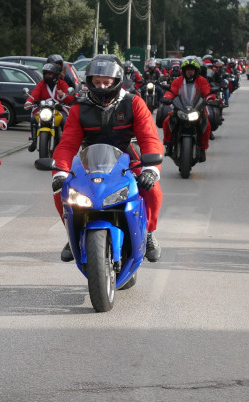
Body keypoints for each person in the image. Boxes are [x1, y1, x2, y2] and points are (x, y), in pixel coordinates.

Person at [51, 54, 163, 262]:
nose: (101, 87)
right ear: (89, 82)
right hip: (89, 161)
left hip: (128, 159)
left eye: (106, 82)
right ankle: (72, 231)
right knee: (62, 192)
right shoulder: (79, 109)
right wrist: (60, 171)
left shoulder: (134, 103)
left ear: (116, 81)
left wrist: (151, 169)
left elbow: (149, 137)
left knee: (153, 191)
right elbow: (67, 144)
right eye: (97, 82)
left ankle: (148, 233)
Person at [161, 57, 215, 162]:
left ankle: (203, 149)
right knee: (167, 121)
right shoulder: (178, 80)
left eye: (192, 70)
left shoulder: (201, 80)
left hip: (197, 108)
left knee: (207, 124)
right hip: (181, 107)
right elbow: (172, 92)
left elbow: (207, 92)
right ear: (184, 71)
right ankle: (168, 145)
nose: (190, 72)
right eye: (187, 70)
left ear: (196, 71)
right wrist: (167, 98)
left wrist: (211, 99)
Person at [24, 62, 74, 152]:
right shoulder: (42, 84)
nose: (47, 76)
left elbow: (70, 98)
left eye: (50, 74)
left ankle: (66, 143)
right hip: (44, 110)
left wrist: (63, 95)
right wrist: (28, 102)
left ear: (55, 75)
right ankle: (34, 141)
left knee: (65, 121)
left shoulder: (62, 84)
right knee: (33, 119)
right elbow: (34, 93)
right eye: (46, 74)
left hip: (59, 110)